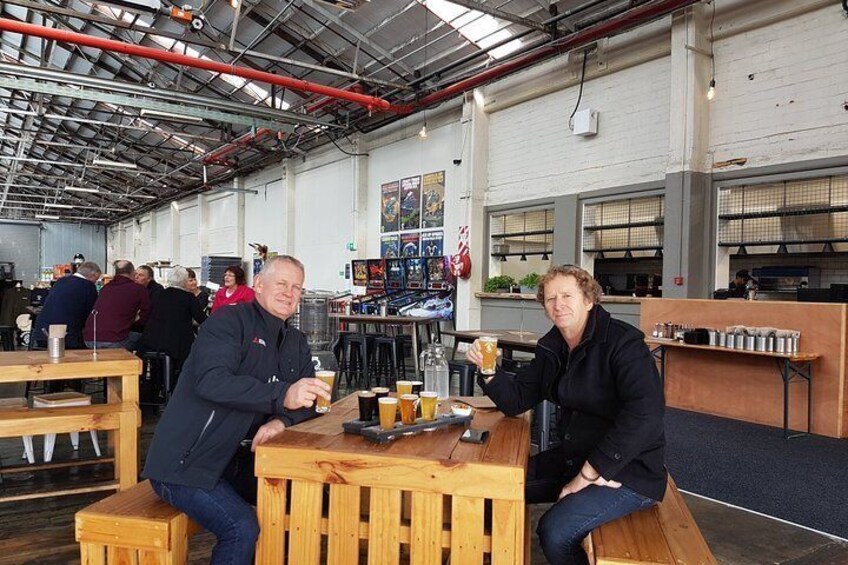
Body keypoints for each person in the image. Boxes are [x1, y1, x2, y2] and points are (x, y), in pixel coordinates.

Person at [466, 264, 666, 565]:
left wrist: (590, 473)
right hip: (575, 456)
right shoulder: (553, 346)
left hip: (628, 471)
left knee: (554, 533)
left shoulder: (622, 343)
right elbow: (518, 400)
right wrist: (489, 370)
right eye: (550, 298)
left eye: (567, 295)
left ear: (589, 300)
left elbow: (646, 414)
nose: (558, 304)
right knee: (494, 488)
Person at [142, 256, 332, 564]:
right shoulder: (228, 322)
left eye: (296, 287)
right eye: (281, 284)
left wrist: (281, 421)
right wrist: (282, 394)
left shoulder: (295, 340)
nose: (289, 292)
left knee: (306, 500)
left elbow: (312, 400)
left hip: (238, 460)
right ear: (258, 284)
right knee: (240, 527)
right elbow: (212, 382)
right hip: (184, 463)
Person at [139, 266, 207, 374]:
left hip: (153, 340)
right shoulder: (188, 297)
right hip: (178, 343)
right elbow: (202, 319)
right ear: (185, 281)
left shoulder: (158, 294)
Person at [83, 260, 150, 350]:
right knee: (146, 339)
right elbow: (145, 316)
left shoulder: (105, 288)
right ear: (132, 272)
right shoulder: (139, 289)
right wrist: (134, 319)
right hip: (116, 340)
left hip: (89, 339)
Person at [33, 261, 101, 350]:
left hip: (43, 332)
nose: (95, 282)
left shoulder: (61, 281)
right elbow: (91, 315)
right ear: (93, 275)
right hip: (66, 337)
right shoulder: (88, 286)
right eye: (96, 279)